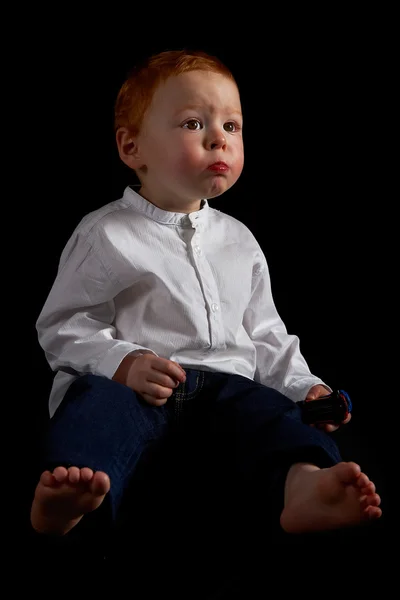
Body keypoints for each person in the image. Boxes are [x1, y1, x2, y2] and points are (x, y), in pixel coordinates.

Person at [30, 49, 381, 547]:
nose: (219, 137)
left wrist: (305, 387)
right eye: (193, 123)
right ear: (132, 148)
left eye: (232, 126)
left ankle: (302, 485)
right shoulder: (107, 234)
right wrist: (124, 362)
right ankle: (72, 495)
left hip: (225, 392)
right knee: (95, 405)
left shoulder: (239, 241)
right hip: (141, 391)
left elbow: (265, 334)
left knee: (275, 416)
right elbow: (64, 324)